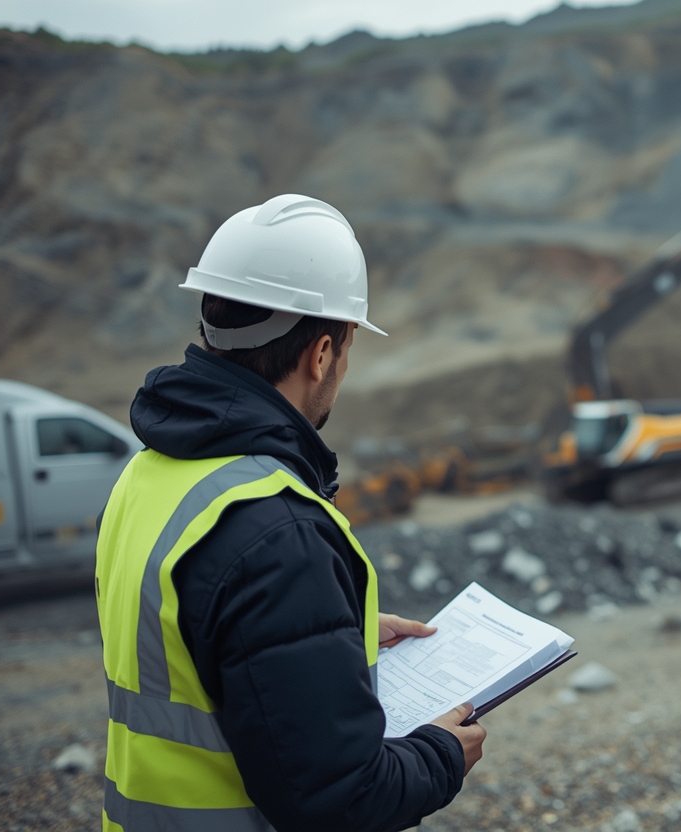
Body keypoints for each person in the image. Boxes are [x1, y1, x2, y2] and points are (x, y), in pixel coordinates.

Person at [95, 194, 485, 831]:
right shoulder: (278, 530)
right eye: (349, 346)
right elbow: (339, 799)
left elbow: (190, 643)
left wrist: (334, 629)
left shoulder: (149, 475)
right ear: (322, 352)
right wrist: (440, 755)